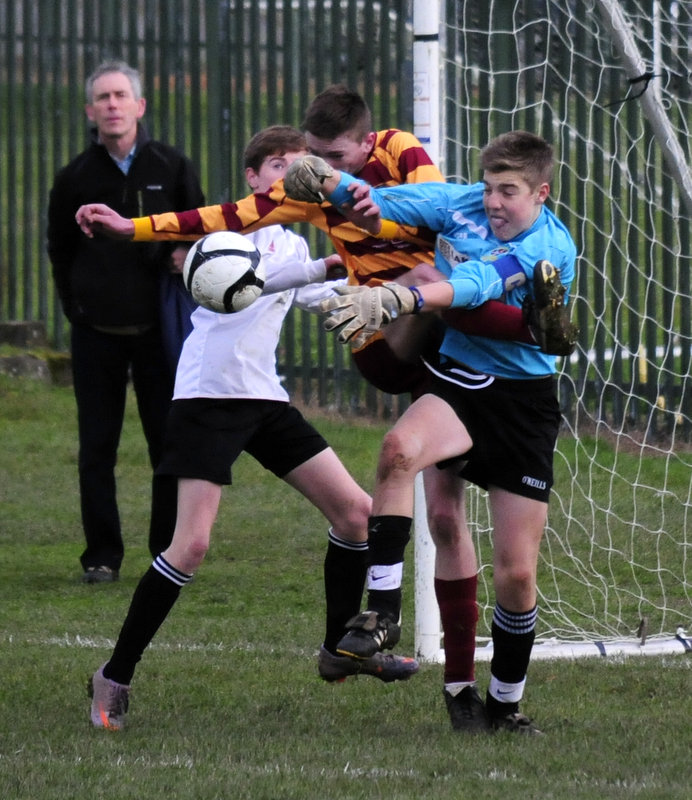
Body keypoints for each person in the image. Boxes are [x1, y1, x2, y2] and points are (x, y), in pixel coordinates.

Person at [86, 125, 419, 731]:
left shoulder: (293, 245)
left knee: (355, 513)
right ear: (254, 179)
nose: (296, 177)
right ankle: (114, 674)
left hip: (263, 398)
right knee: (189, 546)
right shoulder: (223, 237)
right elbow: (231, 284)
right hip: (208, 396)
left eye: (304, 166)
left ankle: (338, 649)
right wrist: (326, 267)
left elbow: (317, 291)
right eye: (282, 167)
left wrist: (382, 284)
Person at [283, 130, 577, 735]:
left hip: (523, 404)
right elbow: (390, 204)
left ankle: (504, 705)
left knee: (517, 571)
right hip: (457, 380)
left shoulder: (548, 246)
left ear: (541, 193)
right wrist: (329, 181)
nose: (494, 203)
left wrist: (400, 298)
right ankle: (382, 615)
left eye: (510, 192)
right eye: (490, 188)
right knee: (398, 452)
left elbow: (475, 285)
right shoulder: (462, 202)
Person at [47, 60, 205, 583]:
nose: (112, 105)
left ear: (139, 106)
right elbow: (60, 251)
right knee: (97, 448)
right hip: (97, 335)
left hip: (158, 334)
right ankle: (101, 557)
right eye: (102, 98)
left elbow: (195, 232)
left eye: (121, 96)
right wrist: (80, 310)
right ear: (91, 111)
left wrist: (177, 261)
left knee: (167, 444)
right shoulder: (74, 178)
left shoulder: (172, 167)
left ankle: (166, 552)